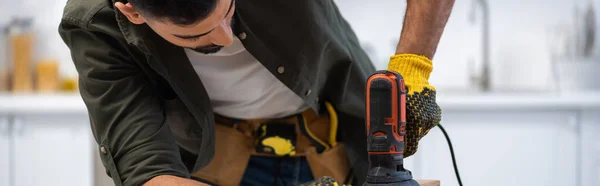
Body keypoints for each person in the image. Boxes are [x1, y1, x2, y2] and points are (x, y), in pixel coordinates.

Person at [58, 0, 455, 185]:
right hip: (215, 166)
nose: (226, 37)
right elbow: (152, 175)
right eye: (196, 36)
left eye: (228, 11)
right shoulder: (97, 26)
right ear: (132, 11)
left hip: (331, 145)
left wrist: (413, 64)